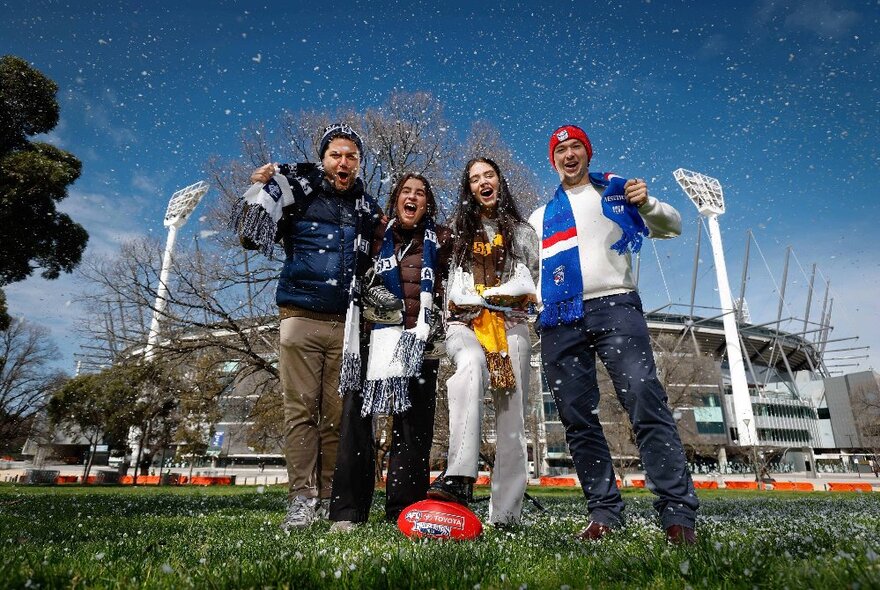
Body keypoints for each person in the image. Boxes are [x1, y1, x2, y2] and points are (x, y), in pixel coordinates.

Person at [529, 125, 699, 545]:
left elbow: (673, 226)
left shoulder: (617, 192)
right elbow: (529, 270)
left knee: (644, 398)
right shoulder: (538, 217)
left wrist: (651, 203)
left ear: (587, 153)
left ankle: (677, 512)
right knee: (576, 416)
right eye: (561, 150)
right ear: (553, 160)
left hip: (615, 304)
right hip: (559, 317)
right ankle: (604, 511)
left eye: (576, 148)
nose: (569, 155)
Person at [235, 123, 381, 530]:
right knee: (300, 412)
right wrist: (256, 192)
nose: (343, 161)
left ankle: (332, 496)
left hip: (348, 324)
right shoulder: (298, 195)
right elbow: (250, 235)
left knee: (338, 417)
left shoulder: (367, 209)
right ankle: (301, 499)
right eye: (336, 154)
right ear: (323, 159)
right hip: (299, 317)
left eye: (351, 155)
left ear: (359, 162)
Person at [328, 173, 452, 531]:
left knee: (414, 431)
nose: (412, 198)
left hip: (418, 342)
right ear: (395, 199)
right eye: (405, 192)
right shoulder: (373, 233)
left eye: (420, 193)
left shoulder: (441, 239)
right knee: (356, 422)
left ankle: (404, 510)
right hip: (372, 337)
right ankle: (348, 512)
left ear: (428, 203)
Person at [427, 157, 539, 527]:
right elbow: (453, 289)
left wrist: (499, 296)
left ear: (499, 181)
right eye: (474, 179)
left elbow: (531, 282)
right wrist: (477, 299)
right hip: (467, 325)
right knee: (471, 365)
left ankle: (506, 514)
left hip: (511, 327)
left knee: (512, 417)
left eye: (488, 175)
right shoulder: (457, 232)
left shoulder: (522, 232)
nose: (482, 182)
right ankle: (459, 476)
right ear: (469, 189)